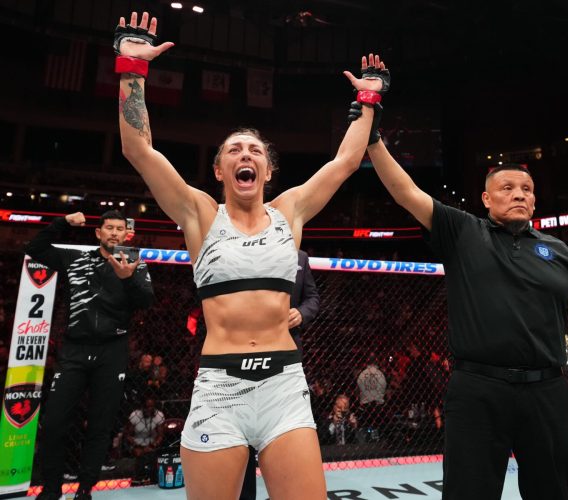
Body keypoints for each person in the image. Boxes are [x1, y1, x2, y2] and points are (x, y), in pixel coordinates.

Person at [115, 11, 387, 499]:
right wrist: (132, 69)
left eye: (255, 150)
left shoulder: (290, 212)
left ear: (268, 170)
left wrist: (368, 98)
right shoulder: (201, 214)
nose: (246, 154)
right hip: (220, 389)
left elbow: (347, 161)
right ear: (219, 171)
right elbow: (139, 150)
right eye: (235, 150)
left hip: (284, 387)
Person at [360, 123, 568, 498]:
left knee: (553, 492)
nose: (519, 194)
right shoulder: (463, 231)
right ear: (486, 199)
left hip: (547, 391)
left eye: (526, 189)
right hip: (478, 391)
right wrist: (373, 140)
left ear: (535, 202)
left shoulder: (559, 252)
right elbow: (405, 192)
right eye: (507, 188)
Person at [26, 210, 154, 500]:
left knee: (100, 425)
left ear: (126, 234)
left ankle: (85, 490)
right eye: (109, 228)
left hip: (112, 350)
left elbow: (146, 301)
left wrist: (127, 279)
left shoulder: (134, 263)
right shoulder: (75, 258)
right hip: (75, 349)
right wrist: (62, 222)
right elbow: (34, 248)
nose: (114, 233)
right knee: (54, 423)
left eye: (119, 229)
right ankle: (51, 488)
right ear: (99, 233)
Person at [239, 248, 320, 500]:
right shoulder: (246, 249)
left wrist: (302, 313)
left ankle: (284, 490)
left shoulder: (300, 257)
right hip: (246, 349)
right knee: (244, 425)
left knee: (285, 424)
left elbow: (313, 298)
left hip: (287, 353)